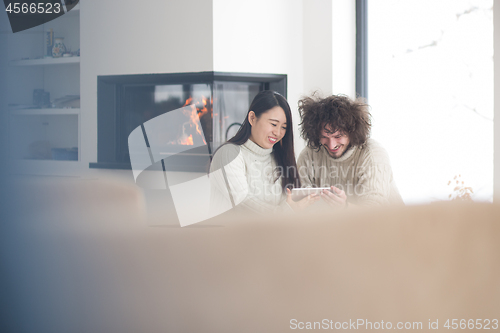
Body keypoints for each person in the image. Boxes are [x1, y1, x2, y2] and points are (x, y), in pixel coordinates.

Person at [210, 90, 319, 215]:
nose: (278, 133)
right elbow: (242, 203)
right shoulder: (228, 154)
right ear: (252, 118)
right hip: (228, 233)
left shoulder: (280, 158)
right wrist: (287, 211)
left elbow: (288, 205)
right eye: (273, 124)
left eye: (283, 127)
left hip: (270, 233)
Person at [296, 94, 403, 207]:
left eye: (338, 136)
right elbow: (301, 202)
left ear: (352, 132)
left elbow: (374, 212)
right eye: (324, 137)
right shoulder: (309, 154)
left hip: (390, 224)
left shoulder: (373, 154)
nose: (331, 145)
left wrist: (345, 207)